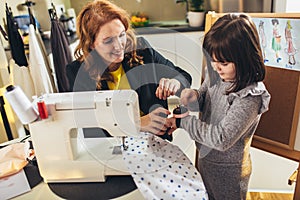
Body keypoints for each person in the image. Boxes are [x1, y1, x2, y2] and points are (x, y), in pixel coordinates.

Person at [168, 13, 271, 199]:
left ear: (245, 58)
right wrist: (194, 97)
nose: (216, 67)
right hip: (206, 159)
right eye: (213, 60)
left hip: (229, 173)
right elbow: (205, 99)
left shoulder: (249, 96)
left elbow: (222, 138)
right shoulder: (217, 73)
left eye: (223, 62)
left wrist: (184, 123)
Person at [66, 0, 192, 139]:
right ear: (91, 45)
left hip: (155, 141)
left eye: (121, 35)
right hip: (109, 149)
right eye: (108, 41)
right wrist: (135, 123)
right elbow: (88, 128)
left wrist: (175, 82)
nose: (119, 45)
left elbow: (184, 77)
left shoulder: (142, 50)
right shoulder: (77, 72)